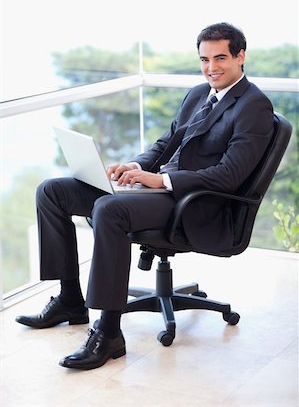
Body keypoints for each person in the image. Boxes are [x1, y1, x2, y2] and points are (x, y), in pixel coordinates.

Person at [15, 22, 274, 370]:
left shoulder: (254, 106)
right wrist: (135, 168)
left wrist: (160, 182)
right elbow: (166, 144)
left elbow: (230, 176)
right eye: (204, 59)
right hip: (160, 189)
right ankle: (70, 300)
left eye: (220, 58)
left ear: (241, 56)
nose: (211, 67)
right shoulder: (199, 93)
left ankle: (108, 334)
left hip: (198, 204)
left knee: (109, 209)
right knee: (53, 191)